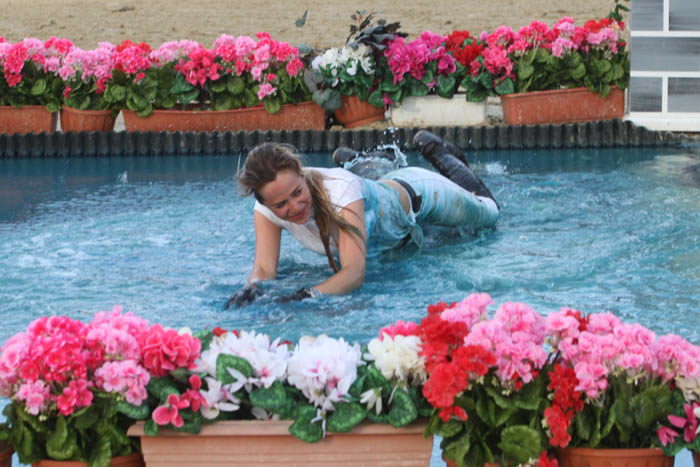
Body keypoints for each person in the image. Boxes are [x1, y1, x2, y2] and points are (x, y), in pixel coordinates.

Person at [226, 130, 500, 308]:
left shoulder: (339, 192)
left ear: (302, 173)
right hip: (379, 209)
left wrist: (305, 295)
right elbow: (264, 269)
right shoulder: (265, 210)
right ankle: (367, 162)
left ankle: (442, 153)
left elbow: (353, 273)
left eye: (297, 192)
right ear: (265, 203)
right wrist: (251, 289)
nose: (295, 207)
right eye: (280, 205)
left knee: (490, 213)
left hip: (421, 193)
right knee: (370, 196)